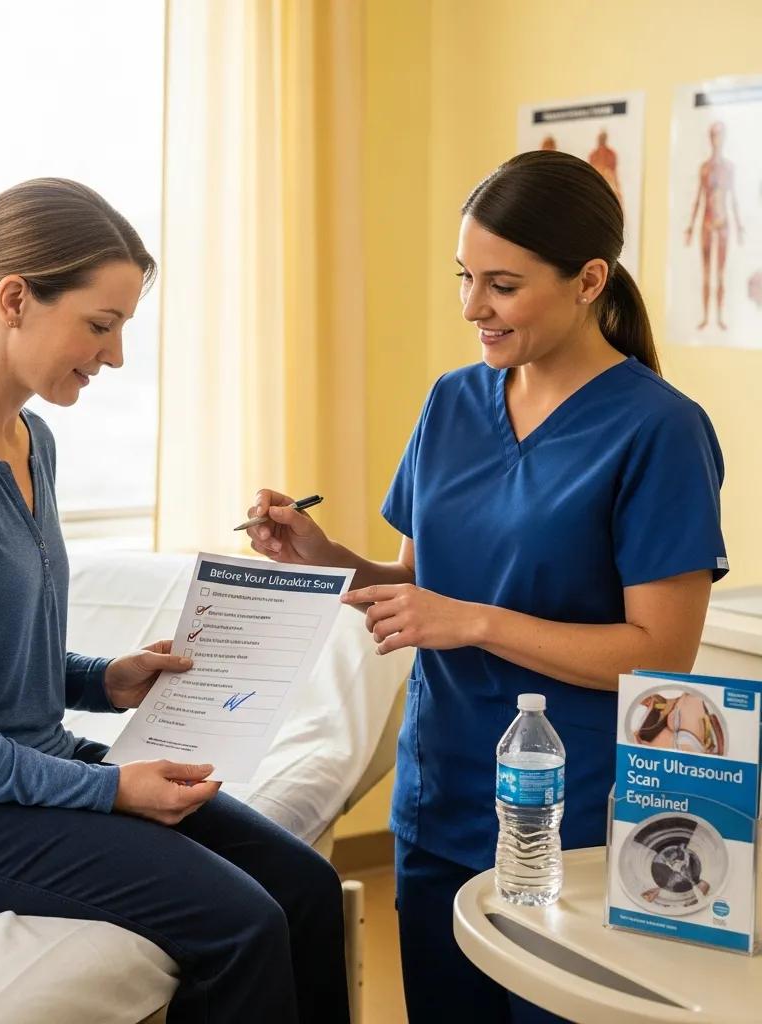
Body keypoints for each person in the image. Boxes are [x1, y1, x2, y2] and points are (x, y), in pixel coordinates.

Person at [0, 178, 349, 1024]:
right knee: (240, 924)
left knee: (305, 888)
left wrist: (106, 680)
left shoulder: (30, 437)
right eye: (102, 325)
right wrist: (107, 792)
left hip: (3, 770)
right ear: (15, 299)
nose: (116, 355)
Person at [247, 150, 726, 1024]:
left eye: (502, 284)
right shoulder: (452, 402)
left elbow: (661, 654)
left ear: (589, 280)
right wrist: (323, 555)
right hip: (441, 795)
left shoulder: (660, 431)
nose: (473, 307)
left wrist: (471, 621)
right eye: (465, 277)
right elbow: (414, 588)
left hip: (574, 814)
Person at [685, 121, 745, 330]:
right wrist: (691, 227)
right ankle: (705, 317)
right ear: (710, 139)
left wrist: (739, 226)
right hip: (707, 223)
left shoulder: (729, 168)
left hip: (723, 223)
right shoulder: (705, 168)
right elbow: (699, 198)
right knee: (706, 272)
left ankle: (719, 317)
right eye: (714, 135)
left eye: (720, 135)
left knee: (719, 273)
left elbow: (734, 198)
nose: (716, 140)